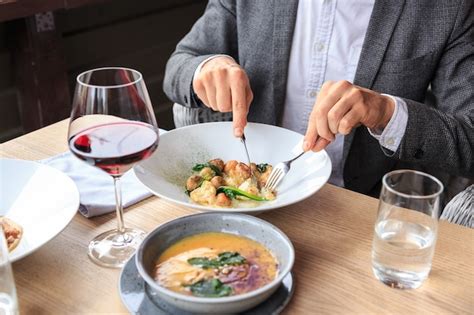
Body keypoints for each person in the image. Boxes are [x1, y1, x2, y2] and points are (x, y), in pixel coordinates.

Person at [163, 0, 474, 196]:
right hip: (241, 196)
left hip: (356, 207)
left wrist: (386, 112)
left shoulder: (449, 9)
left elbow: (469, 138)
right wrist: (205, 69)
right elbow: (180, 65)